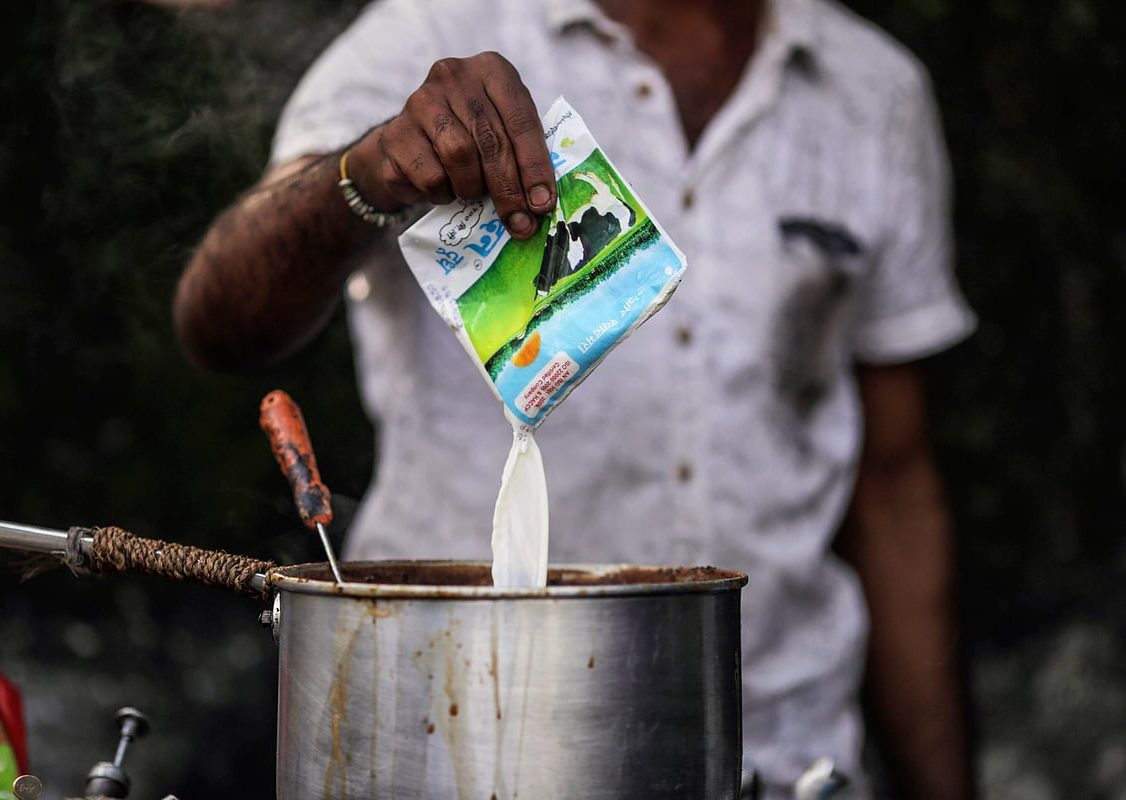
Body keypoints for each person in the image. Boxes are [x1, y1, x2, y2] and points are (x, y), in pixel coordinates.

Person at [173, 0, 977, 797]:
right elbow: (219, 321)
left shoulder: (874, 93)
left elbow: (894, 487)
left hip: (780, 749)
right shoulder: (431, 29)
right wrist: (361, 176)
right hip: (451, 738)